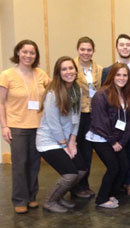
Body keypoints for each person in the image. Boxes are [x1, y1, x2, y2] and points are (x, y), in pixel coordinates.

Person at [0, 40, 50, 214]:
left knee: (34, 164)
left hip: (38, 126)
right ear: (18, 53)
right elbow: (1, 103)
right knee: (20, 164)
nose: (28, 55)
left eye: (32, 53)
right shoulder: (6, 75)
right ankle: (20, 199)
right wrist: (4, 126)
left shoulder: (40, 74)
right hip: (17, 126)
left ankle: (31, 196)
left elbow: (52, 92)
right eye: (25, 52)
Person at [36, 56, 87, 213]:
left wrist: (72, 142)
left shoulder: (76, 89)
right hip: (49, 141)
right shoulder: (53, 93)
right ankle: (50, 201)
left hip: (66, 140)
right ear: (58, 73)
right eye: (64, 69)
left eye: (71, 68)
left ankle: (59, 197)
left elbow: (76, 118)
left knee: (82, 169)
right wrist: (64, 145)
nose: (68, 72)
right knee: (70, 174)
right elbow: (53, 123)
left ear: (75, 70)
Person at [86, 63, 130, 208]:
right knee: (113, 167)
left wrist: (122, 141)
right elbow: (100, 122)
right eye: (118, 75)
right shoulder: (101, 94)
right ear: (112, 76)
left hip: (117, 139)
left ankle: (111, 193)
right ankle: (101, 199)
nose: (121, 78)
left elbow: (129, 121)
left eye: (125, 75)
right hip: (101, 137)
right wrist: (113, 142)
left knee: (124, 166)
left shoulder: (127, 95)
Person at [101, 35, 130, 196]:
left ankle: (129, 183)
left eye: (128, 45)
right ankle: (116, 183)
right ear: (116, 47)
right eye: (121, 45)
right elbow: (104, 95)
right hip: (113, 121)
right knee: (115, 154)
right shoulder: (107, 71)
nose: (125, 48)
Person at [73, 36, 103, 198]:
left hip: (93, 114)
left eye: (89, 50)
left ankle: (85, 184)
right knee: (76, 151)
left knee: (87, 151)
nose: (86, 52)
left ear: (93, 51)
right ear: (78, 50)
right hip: (77, 114)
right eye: (83, 49)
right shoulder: (71, 67)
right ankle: (75, 186)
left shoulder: (99, 69)